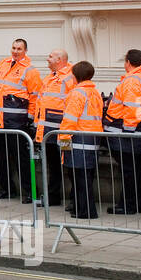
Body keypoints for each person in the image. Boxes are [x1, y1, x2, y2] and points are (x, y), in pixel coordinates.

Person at [0, 38, 42, 200]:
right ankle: (6, 190)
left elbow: (35, 96)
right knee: (0, 158)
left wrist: (30, 118)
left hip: (17, 122)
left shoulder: (30, 71)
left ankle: (30, 193)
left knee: (21, 159)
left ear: (25, 51)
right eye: (14, 48)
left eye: (19, 48)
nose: (15, 51)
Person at [105, 49, 141, 215]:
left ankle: (128, 205)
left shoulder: (132, 80)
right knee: (140, 169)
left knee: (129, 170)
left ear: (128, 62)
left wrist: (128, 130)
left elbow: (131, 108)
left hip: (129, 132)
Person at [59, 61, 103, 219]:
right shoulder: (94, 92)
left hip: (78, 141)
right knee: (86, 178)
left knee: (79, 179)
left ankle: (84, 211)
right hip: (93, 140)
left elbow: (69, 121)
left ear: (76, 76)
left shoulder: (77, 93)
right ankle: (82, 209)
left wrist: (63, 145)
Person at [35, 49, 75, 207]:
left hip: (64, 132)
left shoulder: (69, 78)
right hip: (48, 132)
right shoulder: (50, 78)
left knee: (70, 164)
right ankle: (52, 196)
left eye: (50, 57)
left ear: (59, 60)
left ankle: (75, 199)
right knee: (53, 164)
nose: (47, 58)